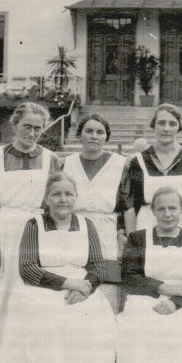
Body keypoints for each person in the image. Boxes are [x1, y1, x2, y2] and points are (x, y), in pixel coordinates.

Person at [0, 172, 117, 363]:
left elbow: (98, 265)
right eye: (56, 194)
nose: (63, 199)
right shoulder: (35, 224)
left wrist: (85, 288)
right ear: (47, 198)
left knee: (95, 313)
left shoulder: (87, 225)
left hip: (82, 288)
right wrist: (69, 284)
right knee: (45, 314)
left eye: (69, 194)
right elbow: (27, 268)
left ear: (76, 197)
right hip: (42, 287)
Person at [0, 102, 62, 363]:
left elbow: (58, 203)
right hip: (4, 234)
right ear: (15, 125)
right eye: (27, 127)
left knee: (35, 302)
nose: (32, 133)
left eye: (38, 128)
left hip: (36, 235)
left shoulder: (51, 159)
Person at [117, 186, 182, 363]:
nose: (167, 214)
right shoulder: (138, 239)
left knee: (179, 331)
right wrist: (164, 289)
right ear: (153, 212)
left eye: (172, 208)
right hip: (144, 297)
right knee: (139, 328)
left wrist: (174, 303)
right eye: (161, 209)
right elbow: (130, 277)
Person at [122, 103, 182, 249]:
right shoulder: (138, 161)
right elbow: (130, 203)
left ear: (179, 127)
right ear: (154, 125)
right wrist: (130, 238)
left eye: (172, 124)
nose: (166, 128)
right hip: (146, 225)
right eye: (161, 123)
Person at [63, 114, 128, 311]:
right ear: (79, 135)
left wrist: (127, 237)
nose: (94, 136)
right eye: (89, 131)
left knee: (106, 289)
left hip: (106, 233)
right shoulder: (66, 163)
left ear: (106, 137)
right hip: (73, 232)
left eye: (100, 132)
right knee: (75, 286)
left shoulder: (120, 164)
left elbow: (128, 205)